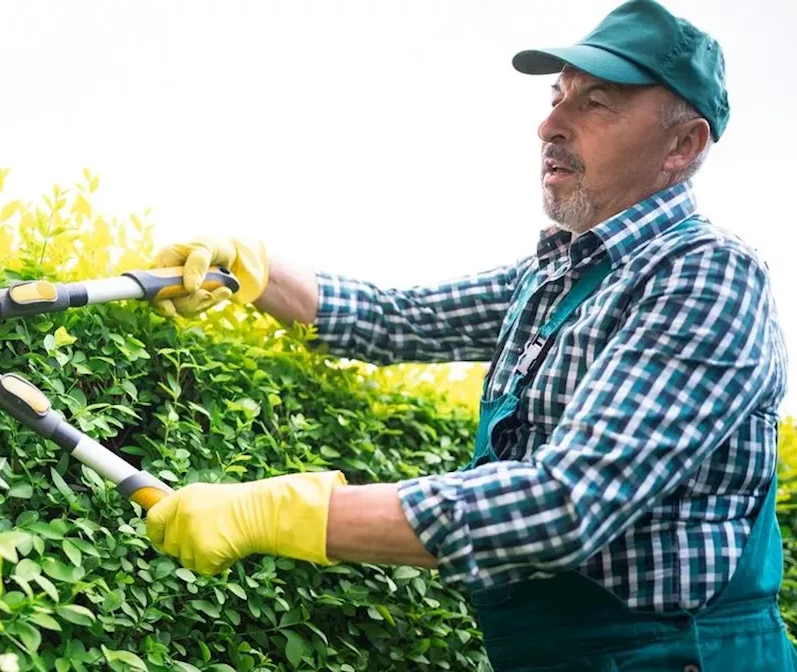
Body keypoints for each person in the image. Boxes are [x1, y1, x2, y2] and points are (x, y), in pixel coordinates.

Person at [141, 0, 792, 669]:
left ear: (683, 146)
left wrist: (281, 514)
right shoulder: (557, 276)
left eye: (595, 101)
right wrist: (246, 268)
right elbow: (398, 318)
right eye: (557, 95)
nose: (549, 124)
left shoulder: (709, 276)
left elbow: (564, 504)